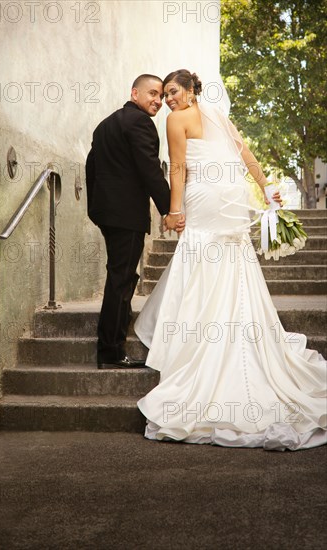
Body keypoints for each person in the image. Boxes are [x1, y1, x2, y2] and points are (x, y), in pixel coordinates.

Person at [135, 69, 327, 451]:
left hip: (205, 199)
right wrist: (266, 189)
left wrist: (174, 213)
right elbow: (246, 153)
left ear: (191, 91)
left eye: (173, 91)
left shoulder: (176, 120)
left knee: (201, 256)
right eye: (166, 94)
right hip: (228, 201)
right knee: (230, 264)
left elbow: (178, 167)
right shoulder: (220, 117)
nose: (169, 100)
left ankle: (197, 334)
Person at [86, 74, 184, 369]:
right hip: (126, 215)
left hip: (107, 214)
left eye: (160, 96)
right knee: (122, 279)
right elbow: (150, 171)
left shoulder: (106, 124)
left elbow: (92, 167)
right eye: (152, 94)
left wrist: (97, 209)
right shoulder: (141, 123)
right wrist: (171, 210)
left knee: (120, 276)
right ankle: (111, 351)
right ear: (135, 93)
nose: (157, 100)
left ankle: (110, 346)